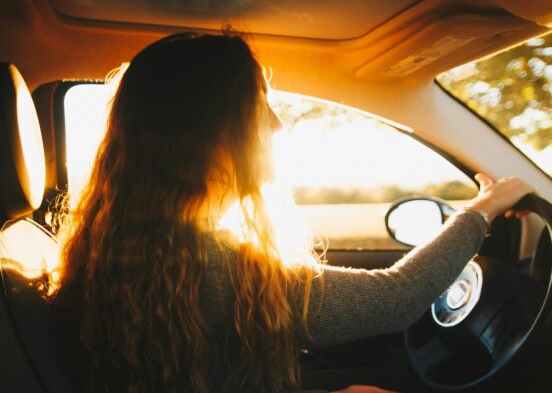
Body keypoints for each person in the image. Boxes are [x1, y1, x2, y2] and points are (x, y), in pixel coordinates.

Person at [50, 31, 534, 393]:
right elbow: (398, 298)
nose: (277, 125)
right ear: (211, 136)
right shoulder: (218, 270)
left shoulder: (126, 249)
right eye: (259, 108)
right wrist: (483, 208)